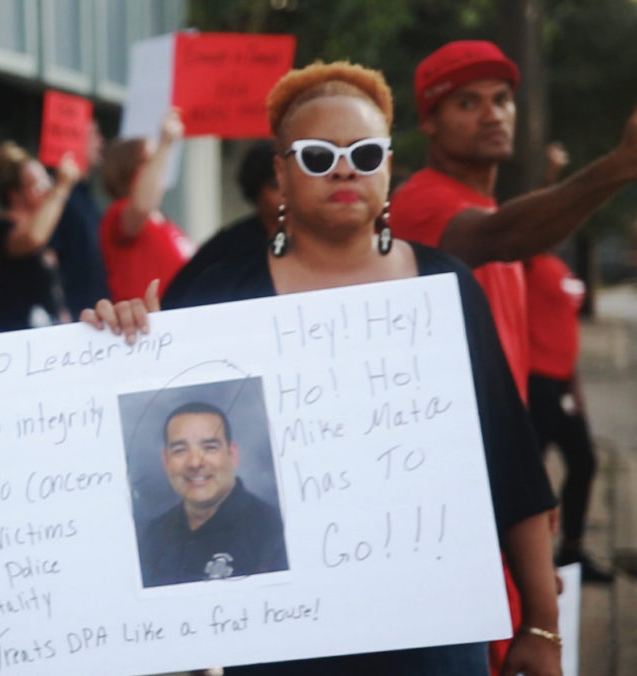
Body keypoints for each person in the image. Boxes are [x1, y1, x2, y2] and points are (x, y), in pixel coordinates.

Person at [84, 61, 561, 675]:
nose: (343, 168)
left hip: (433, 630)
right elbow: (142, 429)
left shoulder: (446, 287)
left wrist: (541, 625)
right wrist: (124, 338)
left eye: (364, 154)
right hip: (281, 645)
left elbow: (510, 459)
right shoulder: (220, 295)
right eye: (316, 156)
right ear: (280, 173)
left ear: (389, 165)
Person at [389, 40, 637, 401]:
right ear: (428, 122)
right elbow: (504, 237)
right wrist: (622, 164)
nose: (493, 115)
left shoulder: (488, 207)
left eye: (502, 99)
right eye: (467, 103)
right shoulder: (419, 200)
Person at [525, 143, 612, 583]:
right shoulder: (528, 263)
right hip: (535, 383)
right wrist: (550, 178)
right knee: (528, 476)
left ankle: (572, 552)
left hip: (562, 384)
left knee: (584, 462)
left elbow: (564, 329)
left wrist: (574, 383)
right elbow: (533, 217)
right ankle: (524, 563)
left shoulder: (559, 268)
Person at [137, 402, 288, 588]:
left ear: (232, 455)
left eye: (209, 447)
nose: (194, 462)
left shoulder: (273, 532)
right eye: (180, 450)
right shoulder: (152, 536)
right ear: (166, 460)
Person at [161, 141, 281, 309]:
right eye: (275, 186)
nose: (286, 194)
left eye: (291, 184)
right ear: (256, 191)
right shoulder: (230, 246)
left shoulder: (311, 242)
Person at [100, 108, 194, 302]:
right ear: (128, 169)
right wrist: (165, 143)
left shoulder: (163, 222)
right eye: (149, 161)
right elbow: (141, 207)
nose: (159, 166)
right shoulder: (118, 214)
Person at [0, 141, 79, 332]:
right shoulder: (1, 229)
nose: (47, 190)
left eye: (48, 182)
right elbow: (32, 237)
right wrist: (61, 188)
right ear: (15, 195)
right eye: (39, 185)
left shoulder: (44, 229)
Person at [49, 120, 111, 319]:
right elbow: (49, 260)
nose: (101, 143)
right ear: (74, 142)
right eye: (94, 136)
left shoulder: (87, 197)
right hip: (75, 319)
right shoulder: (58, 200)